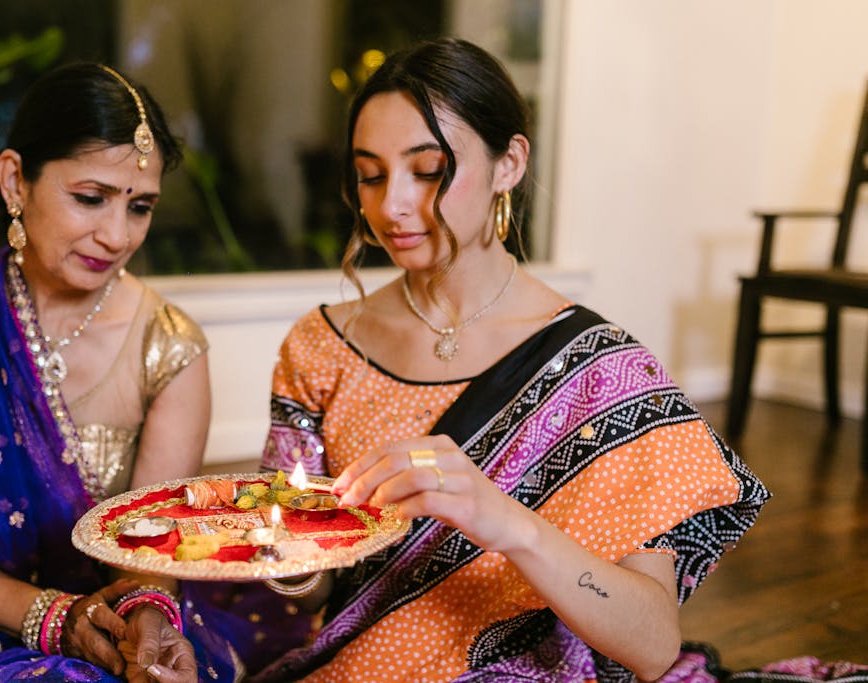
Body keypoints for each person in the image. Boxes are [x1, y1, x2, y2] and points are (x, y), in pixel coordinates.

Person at [252, 38, 772, 682]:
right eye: (371, 174)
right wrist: (290, 564)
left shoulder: (602, 372)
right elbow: (298, 585)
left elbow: (652, 643)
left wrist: (500, 518)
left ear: (509, 163)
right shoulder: (321, 346)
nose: (392, 206)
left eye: (429, 169)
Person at [0, 62, 240, 681]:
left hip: (109, 624)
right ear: (14, 181)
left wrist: (148, 619)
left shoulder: (169, 347)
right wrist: (51, 618)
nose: (116, 234)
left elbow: (152, 546)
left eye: (141, 207)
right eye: (90, 198)